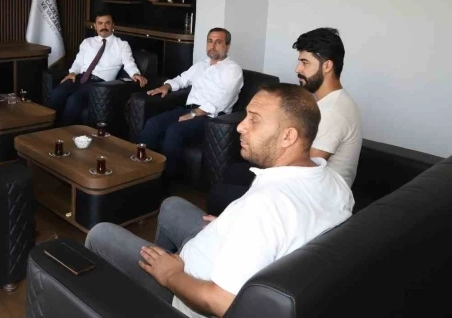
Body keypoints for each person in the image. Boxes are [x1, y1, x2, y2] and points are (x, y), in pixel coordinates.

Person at [86, 83, 354, 318]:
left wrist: (170, 275)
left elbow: (222, 303)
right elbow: (284, 231)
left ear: (288, 136)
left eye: (254, 119)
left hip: (191, 296)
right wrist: (232, 224)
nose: (240, 126)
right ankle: (145, 292)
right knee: (172, 205)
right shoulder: (334, 183)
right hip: (226, 255)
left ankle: (154, 297)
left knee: (100, 234)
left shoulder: (265, 206)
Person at [139, 28, 243, 177]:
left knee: (174, 131)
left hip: (212, 119)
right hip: (188, 110)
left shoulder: (232, 70)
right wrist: (166, 86)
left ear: (227, 46)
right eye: (210, 41)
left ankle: (165, 180)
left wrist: (194, 114)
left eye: (218, 42)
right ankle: (140, 172)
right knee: (152, 124)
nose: (212, 46)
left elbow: (224, 98)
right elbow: (182, 79)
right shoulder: (201, 65)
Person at [48, 11, 148, 125]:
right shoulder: (87, 42)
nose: (103, 26)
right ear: (95, 26)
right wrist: (73, 73)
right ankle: (48, 127)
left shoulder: (122, 45)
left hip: (98, 84)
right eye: (100, 23)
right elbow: (78, 62)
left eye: (107, 23)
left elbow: (129, 62)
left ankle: (63, 132)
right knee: (57, 93)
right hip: (80, 78)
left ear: (113, 25)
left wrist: (135, 74)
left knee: (74, 100)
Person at [295, 27, 362, 186]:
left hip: (319, 196)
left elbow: (301, 172)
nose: (298, 69)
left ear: (327, 66)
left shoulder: (331, 111)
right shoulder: (331, 102)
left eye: (305, 62)